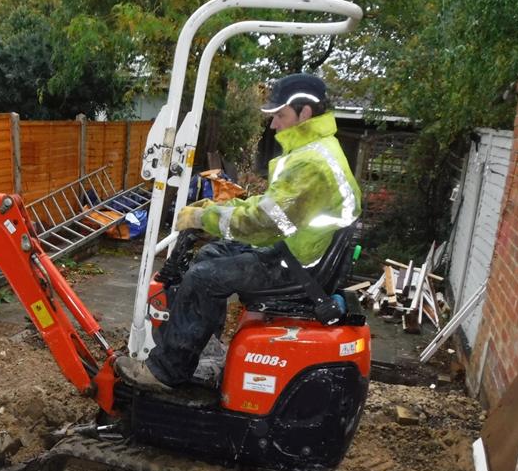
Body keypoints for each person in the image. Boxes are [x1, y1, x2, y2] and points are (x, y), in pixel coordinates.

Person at [116, 73, 362, 392]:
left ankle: (166, 372)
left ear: (305, 113)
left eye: (280, 116)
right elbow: (276, 205)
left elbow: (265, 224)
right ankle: (205, 347)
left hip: (295, 267)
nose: (273, 125)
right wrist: (223, 207)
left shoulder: (310, 164)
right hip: (299, 252)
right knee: (211, 253)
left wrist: (205, 220)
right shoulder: (317, 150)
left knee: (202, 277)